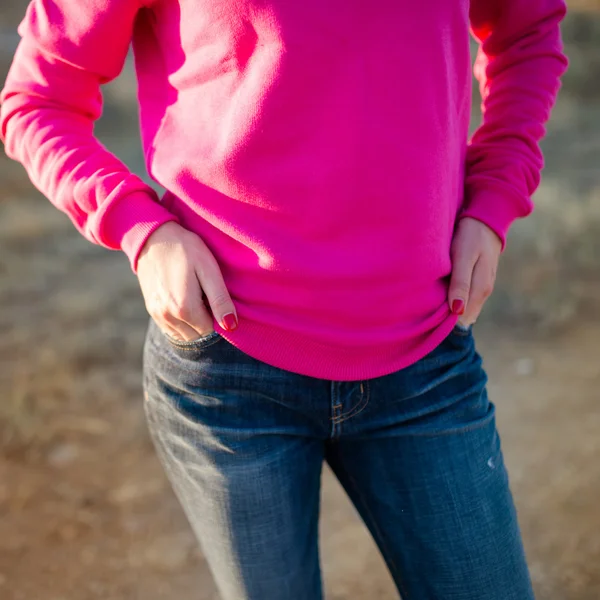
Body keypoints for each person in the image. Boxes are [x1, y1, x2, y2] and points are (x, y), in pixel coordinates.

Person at [1, 1, 568, 598]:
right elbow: (37, 99)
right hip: (228, 372)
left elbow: (527, 29)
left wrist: (499, 188)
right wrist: (142, 230)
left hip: (424, 360)